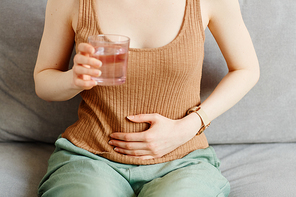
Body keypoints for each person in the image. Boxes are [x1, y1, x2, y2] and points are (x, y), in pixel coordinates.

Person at [34, 0, 259, 196]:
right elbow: (43, 83)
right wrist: (74, 79)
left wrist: (190, 125)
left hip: (183, 161)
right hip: (90, 157)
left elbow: (246, 69)